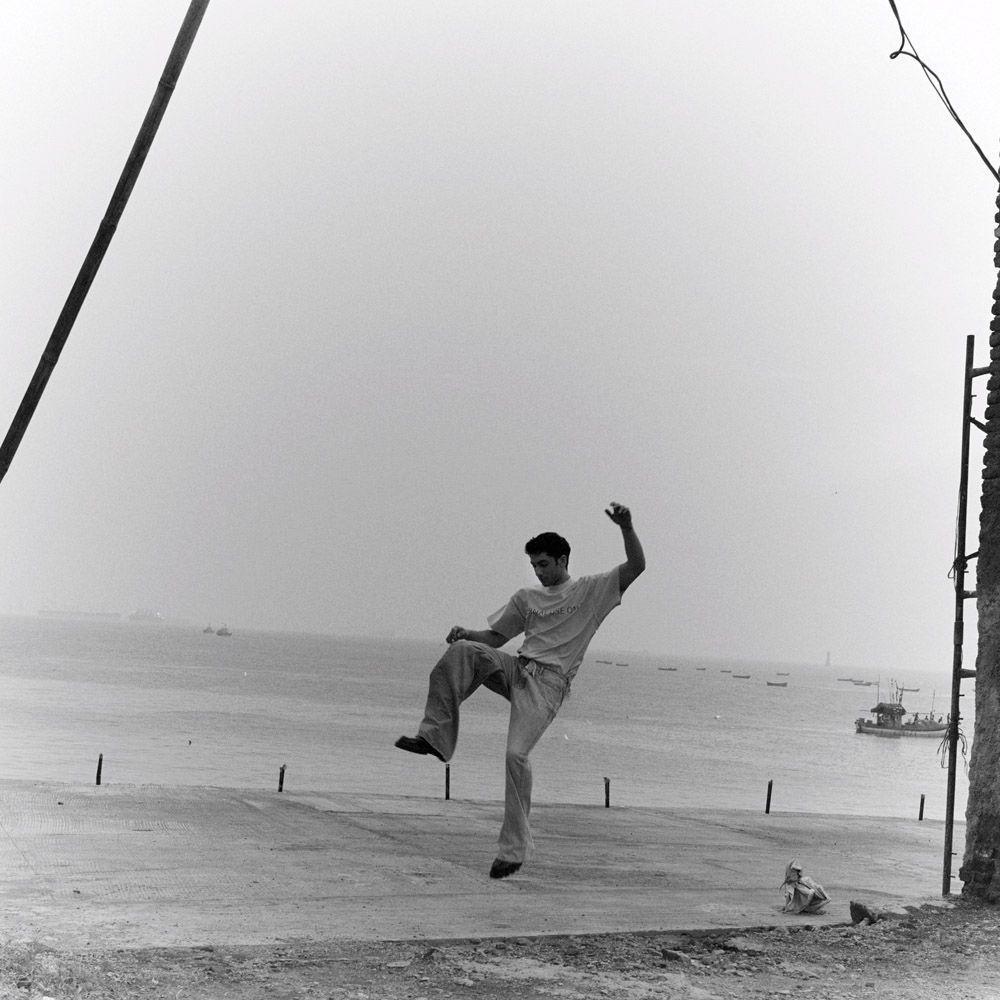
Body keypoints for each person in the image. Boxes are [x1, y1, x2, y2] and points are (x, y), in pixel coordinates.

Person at [395, 501, 645, 879]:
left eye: (544, 564)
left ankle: (513, 851)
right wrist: (468, 634)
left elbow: (636, 567)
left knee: (515, 756)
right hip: (516, 669)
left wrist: (626, 527)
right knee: (463, 651)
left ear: (562, 560)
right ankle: (434, 738)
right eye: (534, 566)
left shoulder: (591, 591)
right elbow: (497, 637)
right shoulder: (526, 598)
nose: (539, 572)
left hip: (547, 686)